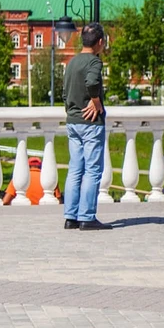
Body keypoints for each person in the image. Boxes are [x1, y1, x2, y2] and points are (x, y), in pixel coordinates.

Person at [63, 23, 111, 231]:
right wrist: (96, 101)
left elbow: (65, 93)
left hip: (73, 121)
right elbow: (92, 82)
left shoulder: (72, 62)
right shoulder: (94, 62)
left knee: (75, 169)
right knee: (92, 170)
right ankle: (87, 216)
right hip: (90, 123)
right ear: (99, 42)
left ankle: (70, 216)